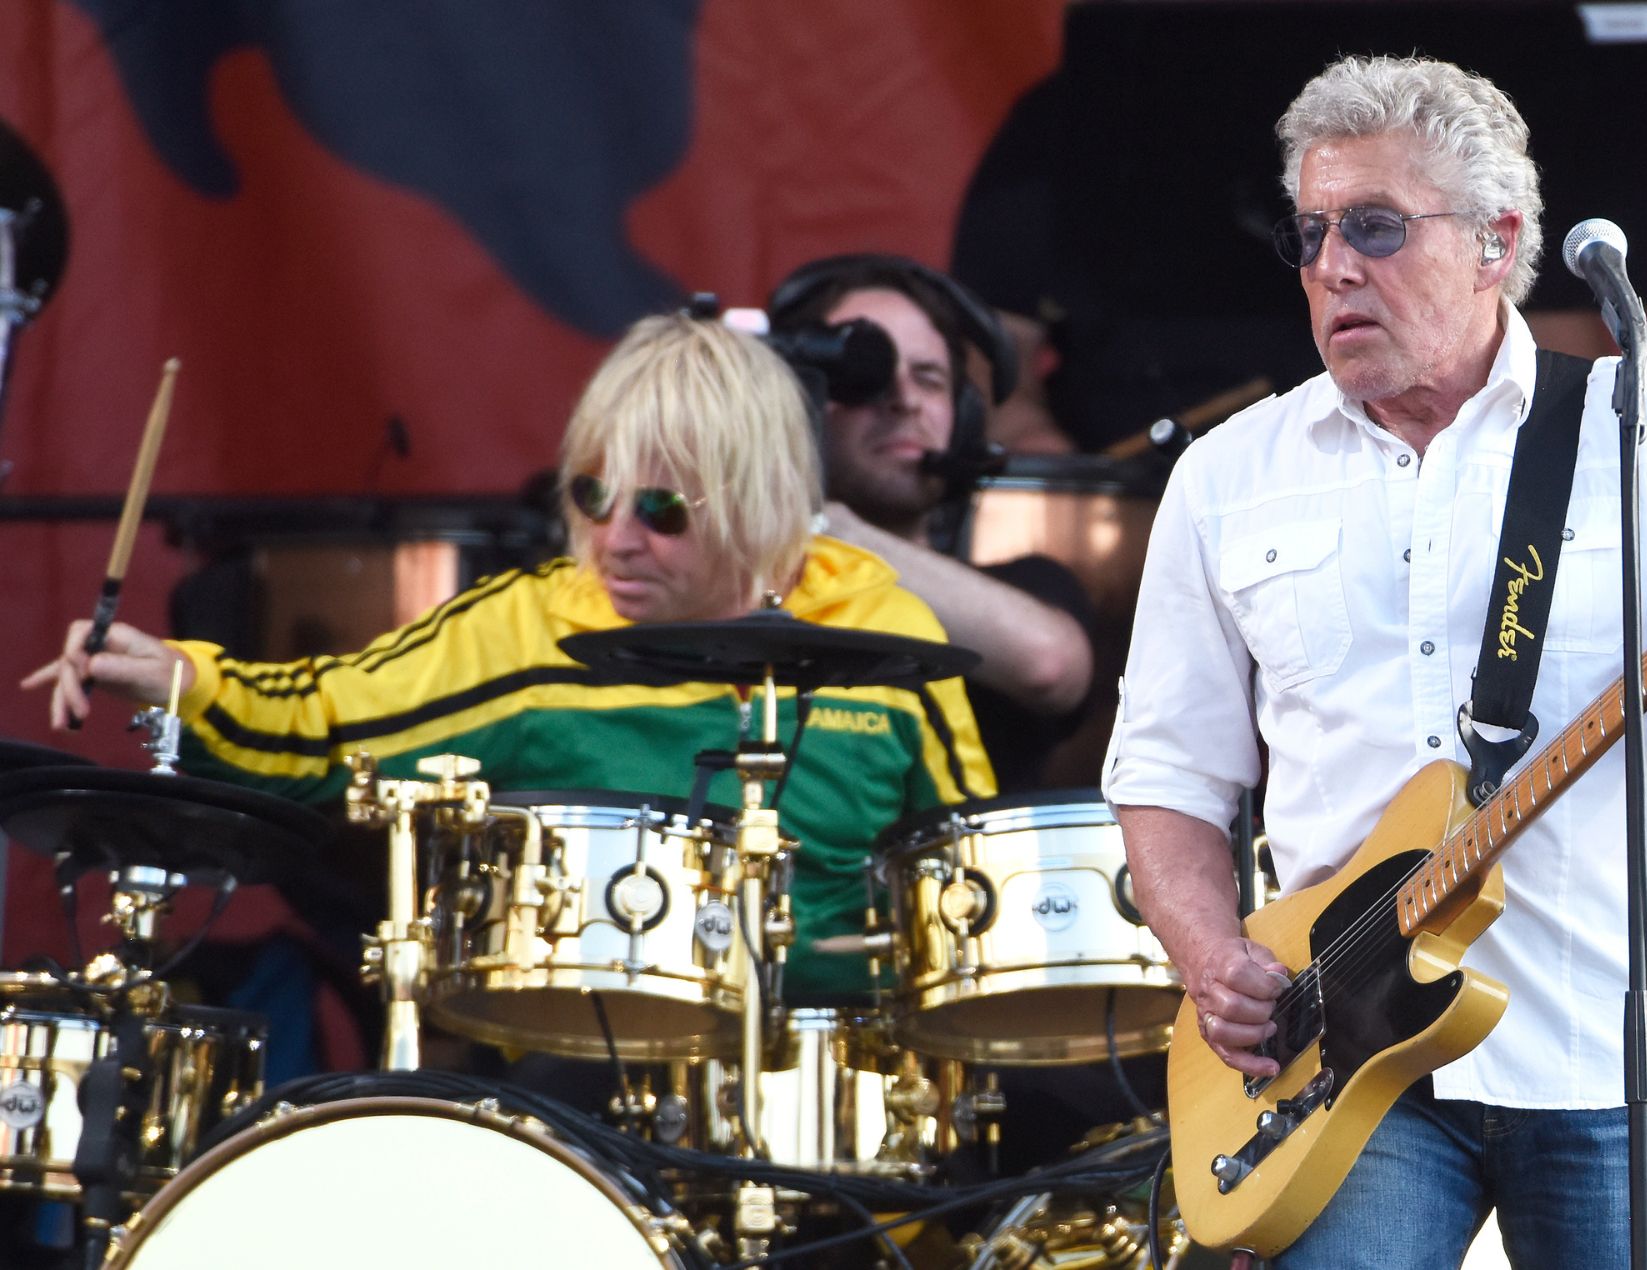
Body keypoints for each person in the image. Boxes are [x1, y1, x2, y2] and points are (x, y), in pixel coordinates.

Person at [1103, 55, 1647, 1268]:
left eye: (1377, 228)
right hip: (1339, 1057)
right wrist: (1208, 956)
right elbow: (1167, 772)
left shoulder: (1643, 420)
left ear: (1497, 240)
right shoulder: (1225, 476)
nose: (1333, 265)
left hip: (1609, 1049)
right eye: (1311, 234)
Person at [26, 313, 994, 1002]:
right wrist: (180, 676)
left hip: (853, 1072)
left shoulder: (882, 627)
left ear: (758, 506)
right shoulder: (534, 627)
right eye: (591, 496)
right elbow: (326, 715)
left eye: (661, 510)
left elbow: (974, 873)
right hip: (599, 1059)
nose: (615, 538)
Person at [768, 255, 1094, 792]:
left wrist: (823, 526)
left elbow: (1050, 663)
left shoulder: (1030, 585)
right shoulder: (736, 600)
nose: (903, 400)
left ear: (964, 415)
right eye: (864, 374)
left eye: (928, 377)